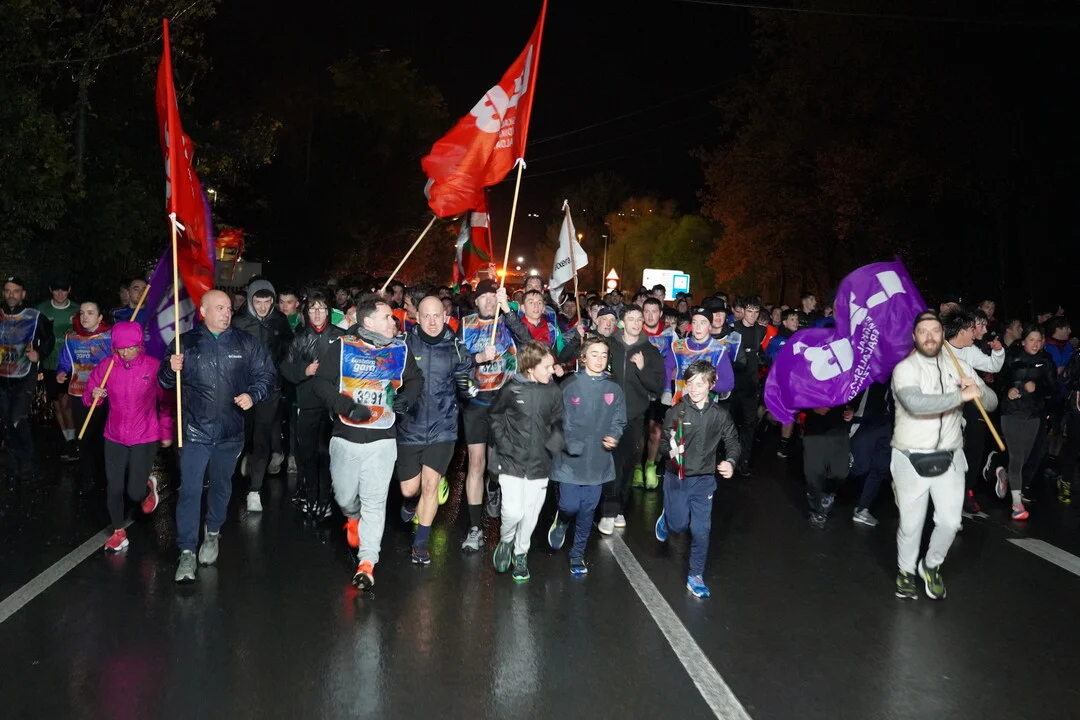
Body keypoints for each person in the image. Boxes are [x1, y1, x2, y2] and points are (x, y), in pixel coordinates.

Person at [159, 289, 276, 585]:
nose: (226, 313)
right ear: (203, 311)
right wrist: (170, 370)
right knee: (190, 490)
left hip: (229, 432)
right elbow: (164, 382)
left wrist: (253, 394)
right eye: (220, 308)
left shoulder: (245, 343)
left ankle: (212, 532)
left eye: (228, 309)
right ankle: (187, 550)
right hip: (194, 432)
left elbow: (266, 374)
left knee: (222, 487)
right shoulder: (185, 343)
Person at [312, 293, 423, 590]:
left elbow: (415, 379)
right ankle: (352, 517)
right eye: (387, 317)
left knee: (375, 501)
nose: (393, 321)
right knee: (345, 497)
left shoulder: (399, 349)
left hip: (383, 438)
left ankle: (367, 562)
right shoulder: (343, 347)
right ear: (369, 322)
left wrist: (407, 399)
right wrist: (347, 406)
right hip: (346, 436)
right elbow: (320, 383)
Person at [891, 312, 996, 601]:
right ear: (914, 337)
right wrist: (959, 397)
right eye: (923, 331)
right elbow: (916, 404)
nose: (929, 337)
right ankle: (905, 572)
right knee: (911, 524)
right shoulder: (905, 369)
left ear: (942, 335)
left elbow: (991, 401)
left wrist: (978, 391)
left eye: (935, 331)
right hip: (910, 455)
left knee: (950, 522)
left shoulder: (959, 366)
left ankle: (931, 565)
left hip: (950, 454)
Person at [396, 295, 474, 565]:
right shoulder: (403, 344)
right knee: (409, 489)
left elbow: (468, 383)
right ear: (416, 317)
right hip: (410, 426)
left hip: (443, 429)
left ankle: (421, 543)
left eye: (437, 316)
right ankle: (409, 502)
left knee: (430, 486)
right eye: (426, 316)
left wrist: (469, 386)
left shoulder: (456, 347)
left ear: (445, 316)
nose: (432, 322)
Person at [84, 321, 173, 552]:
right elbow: (89, 395)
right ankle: (118, 532)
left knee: (134, 492)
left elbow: (166, 402)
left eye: (130, 348)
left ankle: (147, 488)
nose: (125, 353)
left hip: (145, 435)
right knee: (114, 487)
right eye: (120, 348)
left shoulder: (152, 366)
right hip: (114, 435)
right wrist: (94, 395)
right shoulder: (107, 366)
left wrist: (166, 430)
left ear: (139, 345)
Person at [654, 359, 739, 598]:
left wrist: (730, 461)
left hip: (704, 480)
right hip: (677, 477)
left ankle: (696, 575)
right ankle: (667, 519)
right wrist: (671, 451)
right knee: (679, 526)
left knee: (701, 530)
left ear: (712, 384)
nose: (693, 388)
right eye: (690, 383)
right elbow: (663, 443)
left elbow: (732, 441)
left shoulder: (720, 415)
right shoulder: (676, 412)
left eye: (700, 384)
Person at [457, 280, 531, 552]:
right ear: (475, 301)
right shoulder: (465, 325)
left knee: (495, 468)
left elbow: (527, 342)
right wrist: (478, 357)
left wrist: (508, 311)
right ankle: (475, 528)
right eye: (483, 297)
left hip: (503, 404)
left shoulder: (507, 322)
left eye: (493, 296)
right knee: (476, 464)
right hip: (476, 404)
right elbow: (456, 361)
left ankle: (494, 486)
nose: (489, 301)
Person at [547, 336, 626, 575]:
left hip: (598, 460)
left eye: (603, 355)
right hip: (570, 460)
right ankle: (562, 520)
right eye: (594, 354)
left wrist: (614, 435)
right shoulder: (569, 385)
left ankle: (577, 554)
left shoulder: (613, 389)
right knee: (570, 505)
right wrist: (565, 441)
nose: (599, 359)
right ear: (583, 357)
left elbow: (619, 419)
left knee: (587, 510)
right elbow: (554, 418)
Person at [490, 341, 564, 582]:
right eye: (547, 367)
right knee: (513, 512)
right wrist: (505, 445)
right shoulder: (511, 389)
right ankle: (506, 540)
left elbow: (559, 422)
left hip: (540, 464)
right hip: (511, 461)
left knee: (531, 513)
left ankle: (521, 553)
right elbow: (495, 417)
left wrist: (553, 445)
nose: (552, 371)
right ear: (531, 368)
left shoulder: (553, 391)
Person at [280, 290, 345, 518]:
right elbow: (285, 367)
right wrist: (304, 371)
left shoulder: (340, 336)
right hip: (307, 403)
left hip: (332, 405)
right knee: (307, 454)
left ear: (329, 311)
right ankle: (310, 496)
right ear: (306, 312)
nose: (317, 314)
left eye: (321, 308)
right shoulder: (299, 337)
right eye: (312, 309)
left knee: (327, 454)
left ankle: (325, 499)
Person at [601, 304, 664, 532]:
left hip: (635, 416)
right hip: (608, 415)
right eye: (631, 319)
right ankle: (608, 511)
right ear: (622, 322)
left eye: (639, 319)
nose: (636, 323)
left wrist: (642, 368)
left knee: (628, 464)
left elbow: (657, 387)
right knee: (612, 463)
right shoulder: (609, 345)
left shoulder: (651, 351)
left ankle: (619, 508)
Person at [232, 279, 294, 511]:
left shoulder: (280, 321)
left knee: (262, 436)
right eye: (258, 302)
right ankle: (244, 460)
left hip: (270, 389)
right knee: (243, 434)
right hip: (243, 390)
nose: (263, 307)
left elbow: (288, 350)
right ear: (250, 300)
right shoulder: (238, 322)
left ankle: (255, 490)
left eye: (267, 302)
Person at [941, 308, 1004, 513]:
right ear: (962, 331)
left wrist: (978, 391)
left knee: (975, 443)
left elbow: (990, 398)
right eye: (973, 329)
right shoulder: (935, 354)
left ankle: (968, 488)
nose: (977, 333)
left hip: (969, 408)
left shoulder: (967, 359)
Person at [995, 323, 1056, 519]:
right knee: (1017, 457)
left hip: (1033, 415)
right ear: (1023, 341)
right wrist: (1008, 391)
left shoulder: (1046, 361)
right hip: (1011, 413)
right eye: (1031, 340)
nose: (1035, 344)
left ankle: (1004, 473)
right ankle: (1017, 505)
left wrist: (1037, 388)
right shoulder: (1012, 357)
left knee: (1024, 459)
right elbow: (999, 381)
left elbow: (1053, 389)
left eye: (1039, 340)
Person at [0, 277, 54, 480]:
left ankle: (28, 461)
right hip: (2, 376)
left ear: (23, 294)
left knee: (17, 418)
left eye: (16, 291)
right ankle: (14, 462)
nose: (11, 294)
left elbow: (49, 338)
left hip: (24, 375)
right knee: (5, 421)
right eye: (7, 290)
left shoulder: (34, 316)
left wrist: (39, 353)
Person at [55, 302, 112, 491]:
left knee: (102, 436)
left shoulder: (110, 337)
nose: (85, 317)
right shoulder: (72, 338)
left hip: (104, 395)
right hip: (79, 393)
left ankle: (104, 477)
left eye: (90, 313)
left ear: (100, 317)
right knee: (84, 436)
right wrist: (61, 372)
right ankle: (87, 477)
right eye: (82, 313)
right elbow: (65, 361)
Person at [37, 276, 77, 458]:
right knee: (57, 404)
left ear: (69, 290)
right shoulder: (42, 309)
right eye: (56, 289)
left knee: (66, 402)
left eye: (63, 289)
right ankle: (67, 438)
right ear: (50, 290)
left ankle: (73, 440)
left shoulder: (77, 309)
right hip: (49, 363)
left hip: (69, 364)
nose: (60, 293)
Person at [802, 404, 854, 528]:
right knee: (814, 472)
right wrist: (812, 408)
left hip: (839, 429)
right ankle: (817, 511)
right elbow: (795, 398)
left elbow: (853, 396)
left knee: (841, 472)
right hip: (814, 430)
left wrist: (851, 411)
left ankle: (828, 493)